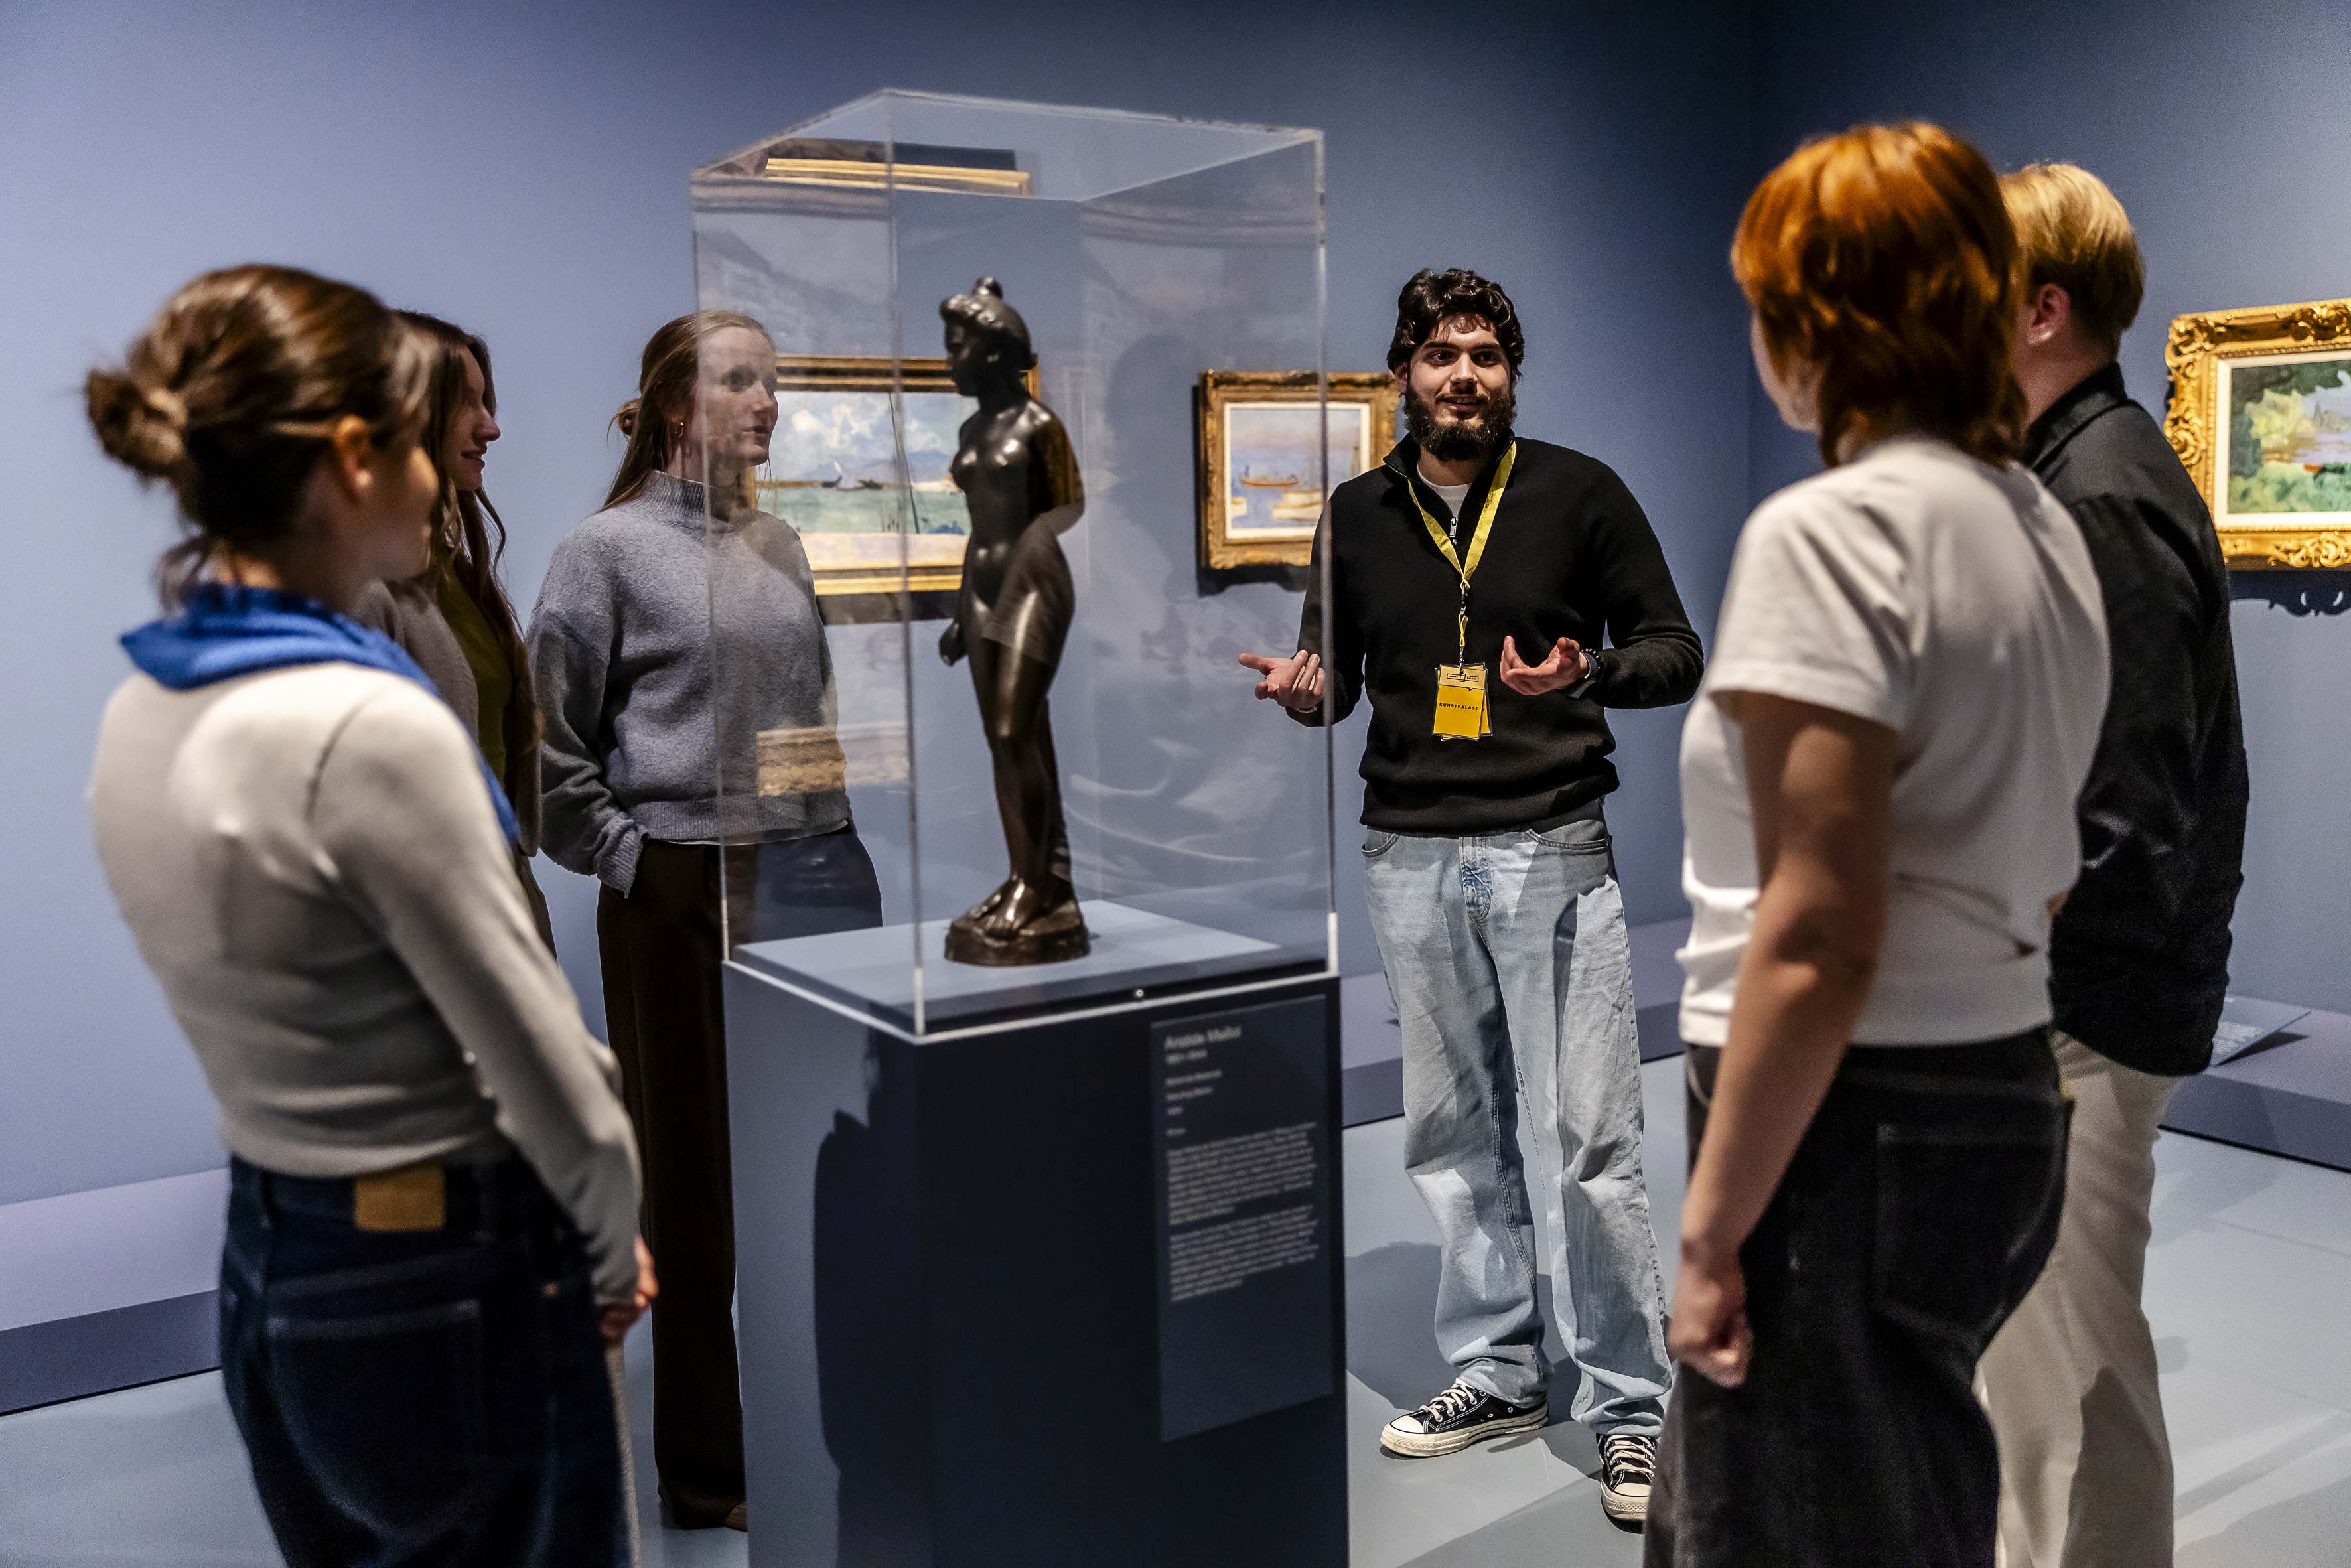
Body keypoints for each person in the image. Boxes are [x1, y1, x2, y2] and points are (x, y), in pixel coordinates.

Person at [84, 264, 649, 1567]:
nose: (456, 462)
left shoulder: (141, 706)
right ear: (353, 456)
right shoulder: (368, 727)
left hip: (274, 1260)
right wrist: (610, 1253)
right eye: (421, 434)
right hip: (446, 1273)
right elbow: (553, 1083)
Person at [1646, 123, 2110, 1568]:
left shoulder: (1832, 533)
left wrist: (1710, 1230)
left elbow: (1817, 926)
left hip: (1844, 1120)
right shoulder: (2038, 526)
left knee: (1786, 1525)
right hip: (1997, 1087)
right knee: (1905, 1500)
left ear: (1818, 319)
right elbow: (2035, 852)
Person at [1239, 268, 1702, 1528]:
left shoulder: (1577, 491)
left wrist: (1587, 669)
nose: (1463, 375)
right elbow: (1336, 683)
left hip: (1552, 847)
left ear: (1508, 373)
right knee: (1449, 1135)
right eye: (1439, 353)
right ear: (1400, 371)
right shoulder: (1353, 510)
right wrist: (1302, 690)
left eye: (1486, 354)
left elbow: (1674, 649)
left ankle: (1628, 1405)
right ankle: (1498, 1369)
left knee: (1592, 1139)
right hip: (1407, 855)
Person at [530, 308, 883, 1532]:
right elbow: (548, 754)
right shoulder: (604, 551)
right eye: (740, 382)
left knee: (824, 1164)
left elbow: (813, 709)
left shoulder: (780, 540)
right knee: (692, 1185)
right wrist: (638, 865)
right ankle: (708, 1469)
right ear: (676, 404)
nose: (766, 404)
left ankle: (825, 1426)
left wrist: (837, 841)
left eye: (771, 383)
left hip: (813, 874)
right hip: (679, 890)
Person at [1975, 163, 2249, 1568]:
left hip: (2077, 1019)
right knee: (2040, 1367)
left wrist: (2032, 1014)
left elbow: (2133, 819)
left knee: (2067, 1379)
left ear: (2035, 307)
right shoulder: (2073, 472)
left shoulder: (2099, 491)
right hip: (2063, 1003)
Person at [352, 311, 551, 942]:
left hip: (501, 885)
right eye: (465, 403)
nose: (490, 427)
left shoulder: (455, 573)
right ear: (403, 411)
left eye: (486, 402)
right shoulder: (362, 585)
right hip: (429, 919)